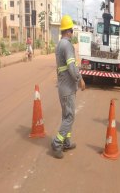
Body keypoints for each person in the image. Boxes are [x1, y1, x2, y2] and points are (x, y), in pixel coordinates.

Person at [51, 15, 85, 159]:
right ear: (69, 31)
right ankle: (57, 142)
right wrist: (80, 79)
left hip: (62, 87)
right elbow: (72, 67)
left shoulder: (59, 45)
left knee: (66, 115)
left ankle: (66, 142)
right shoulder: (68, 45)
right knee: (70, 117)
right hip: (68, 88)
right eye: (72, 32)